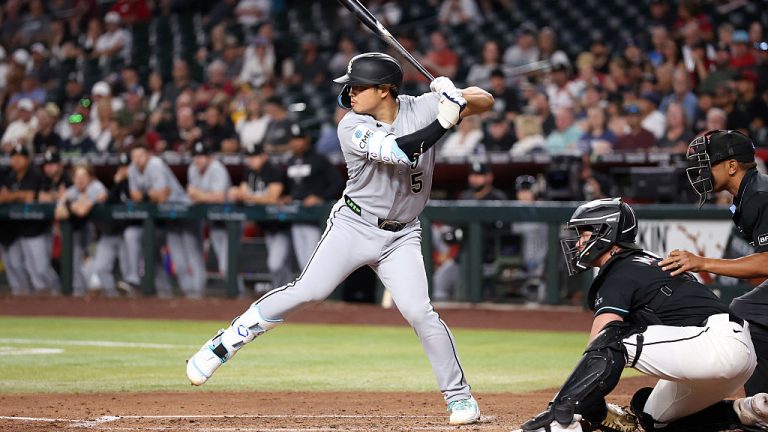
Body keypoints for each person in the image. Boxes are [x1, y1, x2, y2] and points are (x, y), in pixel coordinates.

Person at [186, 52, 494, 425]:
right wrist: (447, 118)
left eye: (357, 87)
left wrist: (454, 94)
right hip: (355, 225)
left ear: (384, 91)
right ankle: (227, 342)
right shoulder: (351, 125)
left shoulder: (424, 106)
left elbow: (486, 101)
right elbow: (398, 151)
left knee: (420, 313)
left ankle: (461, 400)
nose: (349, 94)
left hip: (402, 234)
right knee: (308, 291)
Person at [518, 198, 760, 432]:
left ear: (606, 234)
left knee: (612, 338)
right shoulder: (643, 261)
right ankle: (746, 411)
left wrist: (579, 403)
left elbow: (600, 343)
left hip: (716, 345)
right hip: (730, 353)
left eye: (584, 234)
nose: (579, 243)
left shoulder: (619, 270)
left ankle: (560, 422)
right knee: (652, 416)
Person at [662, 130, 768, 398]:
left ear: (732, 166)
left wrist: (702, 262)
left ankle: (759, 404)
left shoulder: (759, 195)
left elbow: (767, 262)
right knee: (749, 314)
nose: (702, 170)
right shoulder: (748, 195)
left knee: (744, 311)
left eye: (708, 162)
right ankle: (761, 402)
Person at [229, 145, 292, 289]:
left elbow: (272, 198)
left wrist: (249, 197)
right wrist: (252, 196)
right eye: (250, 157)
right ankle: (282, 294)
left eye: (255, 156)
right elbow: (240, 193)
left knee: (276, 264)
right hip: (268, 226)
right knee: (279, 265)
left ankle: (285, 292)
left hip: (284, 225)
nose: (252, 160)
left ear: (264, 156)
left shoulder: (273, 170)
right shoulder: (250, 172)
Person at [281, 124, 343, 271]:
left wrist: (321, 198)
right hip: (297, 216)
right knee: (303, 262)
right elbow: (288, 186)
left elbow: (337, 182)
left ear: (307, 140)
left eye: (300, 139)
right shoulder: (289, 162)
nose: (297, 142)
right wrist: (286, 197)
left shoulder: (319, 159)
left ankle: (320, 293)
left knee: (313, 259)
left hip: (315, 218)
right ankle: (310, 293)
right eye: (294, 139)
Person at [0, 145, 60, 295]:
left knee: (42, 267)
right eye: (14, 157)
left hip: (38, 228)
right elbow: (3, 197)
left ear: (27, 160)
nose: (16, 160)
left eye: (20, 157)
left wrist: (13, 196)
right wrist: (18, 195)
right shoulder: (10, 177)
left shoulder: (35, 175)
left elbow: (31, 196)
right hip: (20, 229)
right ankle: (33, 301)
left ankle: (57, 293)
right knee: (28, 267)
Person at [186, 142, 243, 295]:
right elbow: (191, 195)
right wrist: (201, 196)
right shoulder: (193, 169)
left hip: (231, 222)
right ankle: (238, 294)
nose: (199, 159)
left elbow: (218, 197)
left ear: (210, 157)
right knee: (224, 266)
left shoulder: (217, 168)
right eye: (196, 156)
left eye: (202, 156)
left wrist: (199, 195)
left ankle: (240, 295)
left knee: (227, 265)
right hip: (215, 224)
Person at [54, 164, 107, 297]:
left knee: (97, 271)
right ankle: (80, 300)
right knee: (76, 265)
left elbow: (83, 211)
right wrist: (73, 204)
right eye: (77, 176)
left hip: (105, 234)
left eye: (83, 176)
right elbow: (59, 213)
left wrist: (70, 204)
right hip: (81, 234)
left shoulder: (96, 187)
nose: (80, 179)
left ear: (90, 178)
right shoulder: (72, 191)